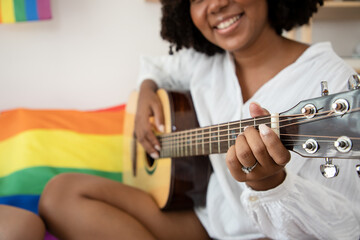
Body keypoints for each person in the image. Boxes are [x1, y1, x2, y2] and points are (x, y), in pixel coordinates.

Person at [38, 0, 360, 239]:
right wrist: (147, 91)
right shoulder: (204, 64)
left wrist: (271, 185)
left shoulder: (332, 81)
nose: (217, 4)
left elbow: (347, 225)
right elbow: (157, 67)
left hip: (270, 234)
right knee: (60, 193)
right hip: (208, 219)